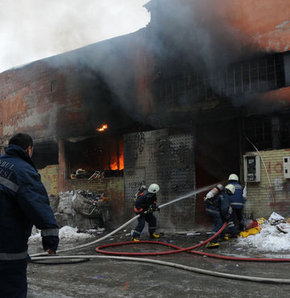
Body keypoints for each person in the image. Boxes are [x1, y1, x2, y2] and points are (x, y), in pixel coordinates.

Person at [0, 133, 59, 297]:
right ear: (29, 149)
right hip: (7, 253)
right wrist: (50, 240)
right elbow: (38, 206)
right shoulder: (23, 171)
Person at [204, 183, 237, 248]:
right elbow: (224, 209)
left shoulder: (221, 194)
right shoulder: (226, 196)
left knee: (220, 222)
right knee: (218, 225)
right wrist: (226, 216)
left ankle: (221, 236)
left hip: (210, 210)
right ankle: (212, 242)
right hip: (214, 211)